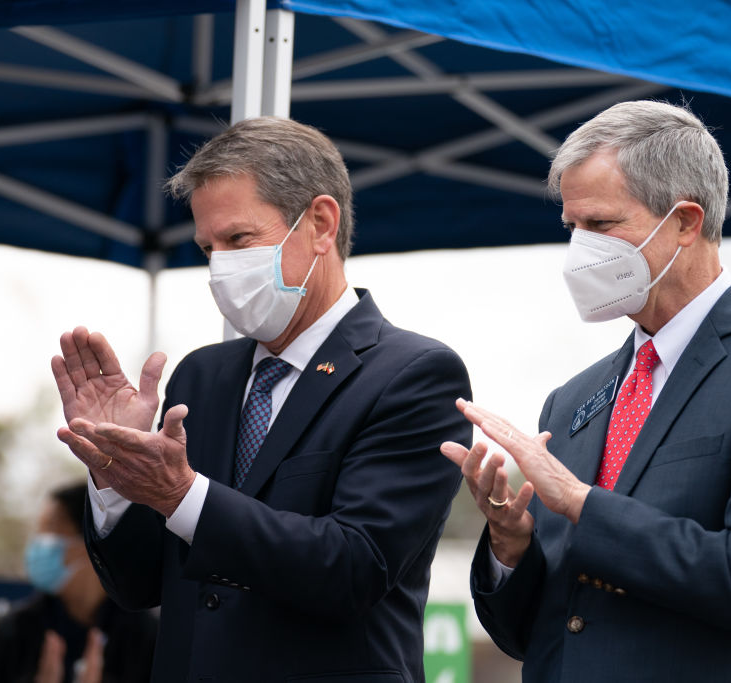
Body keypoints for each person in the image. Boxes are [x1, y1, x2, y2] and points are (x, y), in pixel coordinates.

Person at [50, 116, 471, 682]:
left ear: (321, 224)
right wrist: (113, 474)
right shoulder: (201, 378)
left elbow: (353, 567)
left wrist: (181, 494)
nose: (221, 266)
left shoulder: (413, 375)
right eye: (207, 247)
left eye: (239, 239)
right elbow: (138, 586)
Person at [441, 100, 731, 681]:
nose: (580, 251)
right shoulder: (572, 399)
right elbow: (535, 634)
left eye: (601, 225)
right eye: (573, 227)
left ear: (686, 223)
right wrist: (510, 546)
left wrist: (579, 503)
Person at [0, 482, 156, 683]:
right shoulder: (12, 630)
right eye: (39, 530)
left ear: (89, 540)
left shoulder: (148, 637)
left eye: (51, 528)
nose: (38, 542)